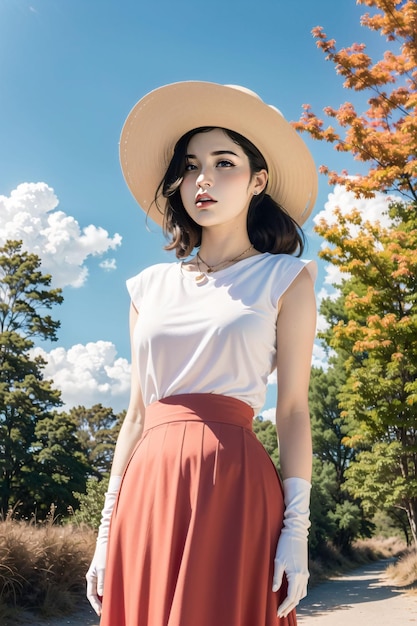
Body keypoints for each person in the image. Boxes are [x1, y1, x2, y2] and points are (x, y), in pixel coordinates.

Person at [86, 81, 318, 626]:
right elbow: (137, 415)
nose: (203, 180)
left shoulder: (286, 279)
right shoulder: (146, 287)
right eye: (191, 166)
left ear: (258, 180)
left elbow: (292, 411)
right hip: (149, 488)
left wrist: (297, 533)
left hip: (234, 486)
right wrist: (105, 531)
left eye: (224, 162)